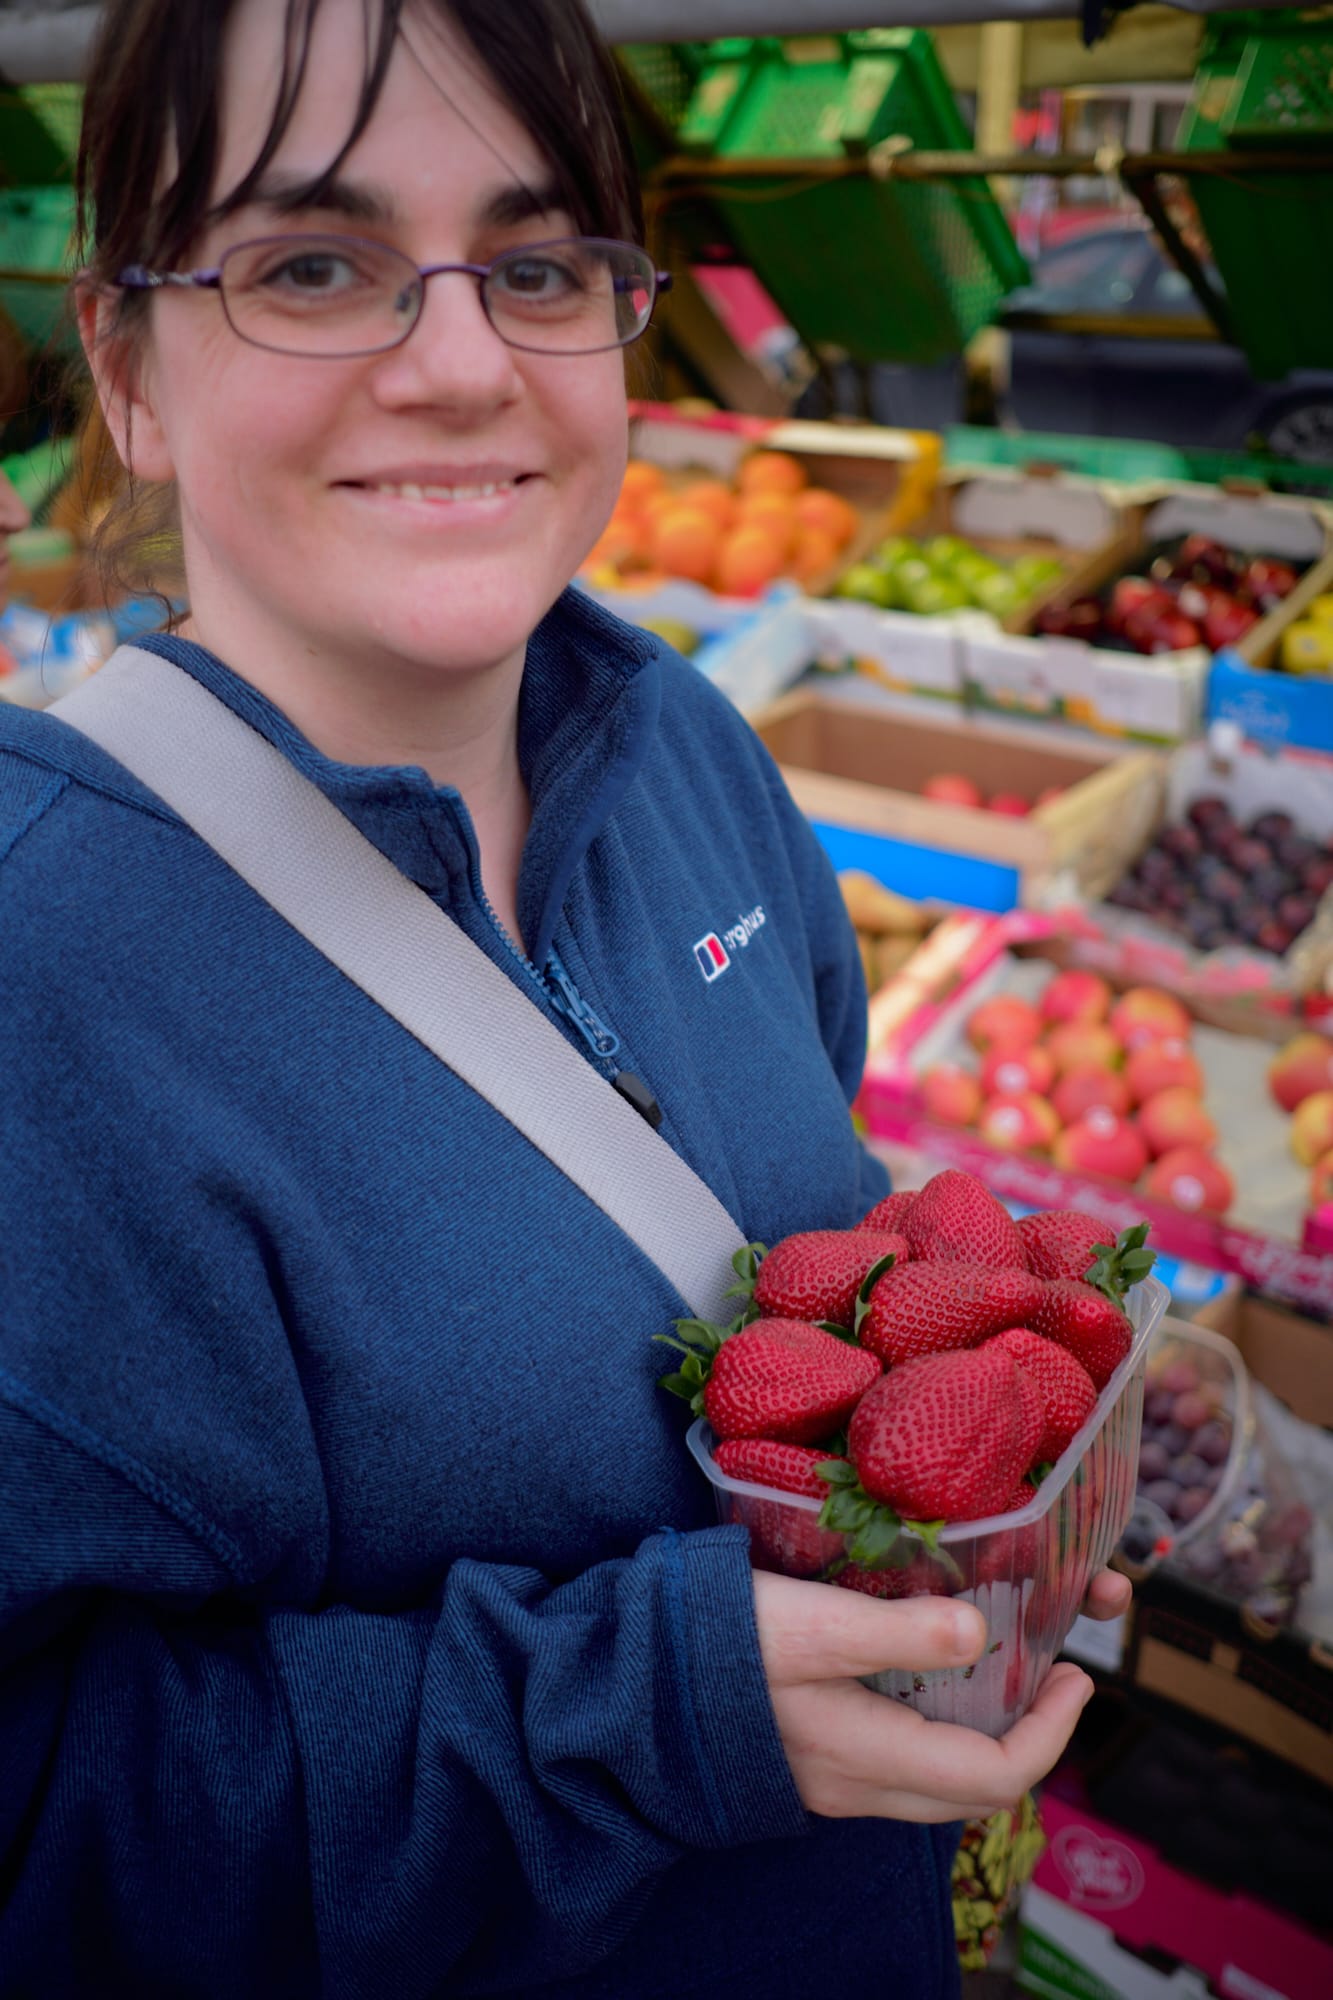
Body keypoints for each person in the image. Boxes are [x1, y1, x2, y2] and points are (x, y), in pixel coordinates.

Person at [0, 3, 1128, 1994]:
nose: (455, 364)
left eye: (533, 266)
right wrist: (650, 1709)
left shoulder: (687, 748)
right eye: (312, 267)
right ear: (128, 366)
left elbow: (827, 1256)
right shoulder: (49, 979)